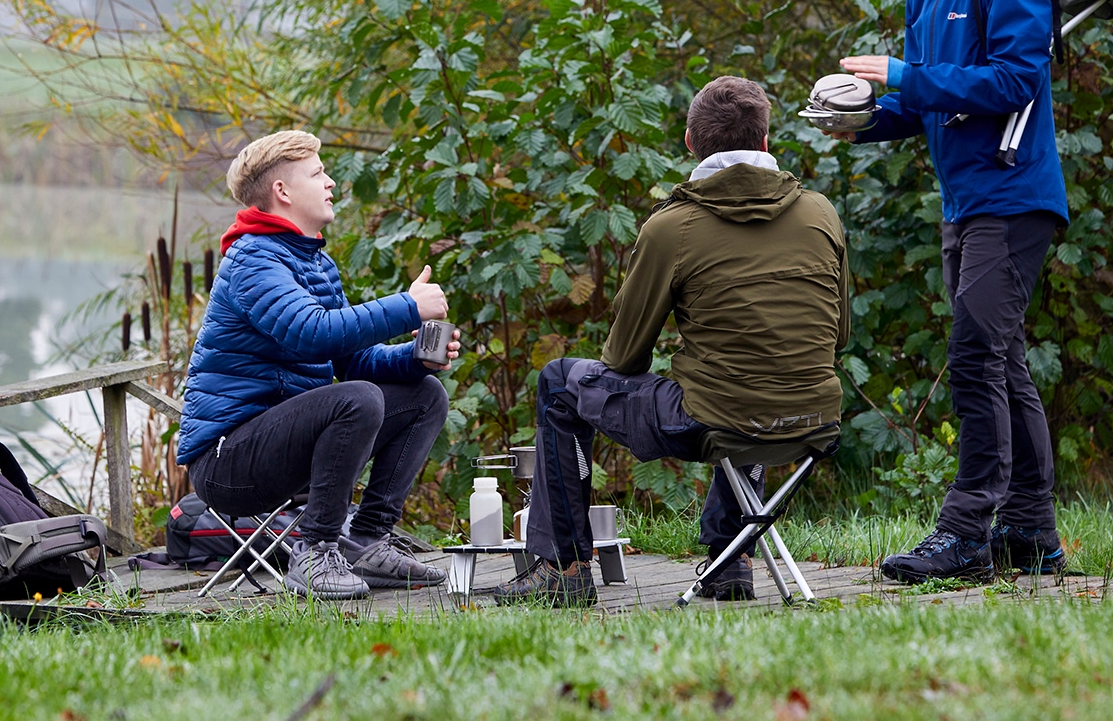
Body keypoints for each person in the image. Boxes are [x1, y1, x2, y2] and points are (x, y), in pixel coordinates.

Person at [492, 76, 850, 607]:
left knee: (560, 383)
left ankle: (564, 569)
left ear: (690, 142)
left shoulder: (673, 226)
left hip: (716, 419)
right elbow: (839, 334)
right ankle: (733, 560)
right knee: (753, 377)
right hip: (814, 419)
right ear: (767, 142)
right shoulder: (821, 213)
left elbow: (623, 357)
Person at [833, 0, 1070, 584]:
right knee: (1001, 362)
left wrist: (903, 73)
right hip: (962, 200)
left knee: (973, 357)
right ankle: (1032, 532)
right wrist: (862, 118)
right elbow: (928, 101)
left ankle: (966, 530)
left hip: (1015, 194)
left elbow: (1012, 84)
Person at [177, 130, 458, 600]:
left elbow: (352, 362)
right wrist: (407, 307)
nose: (330, 182)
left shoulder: (315, 263)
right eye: (318, 173)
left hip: (284, 444)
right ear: (282, 192)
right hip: (227, 461)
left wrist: (414, 359)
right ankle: (317, 550)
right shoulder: (252, 259)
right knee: (358, 400)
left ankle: (367, 540)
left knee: (425, 397)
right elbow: (310, 332)